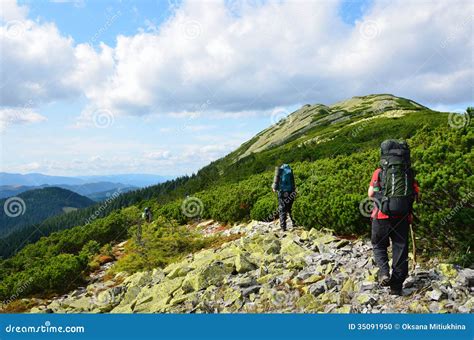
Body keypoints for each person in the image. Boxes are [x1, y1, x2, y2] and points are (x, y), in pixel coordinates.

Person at [367, 140, 419, 296]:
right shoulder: (409, 172)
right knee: (400, 250)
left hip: (381, 216)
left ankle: (384, 273)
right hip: (402, 217)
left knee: (378, 245)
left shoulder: (379, 172)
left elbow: (370, 194)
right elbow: (417, 195)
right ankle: (396, 287)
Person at [272, 164, 297, 231]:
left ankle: (283, 227)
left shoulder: (279, 171)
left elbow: (275, 183)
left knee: (282, 209)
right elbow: (293, 182)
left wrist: (275, 189)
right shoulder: (290, 171)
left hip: (282, 192)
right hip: (290, 192)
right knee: (290, 208)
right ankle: (295, 224)